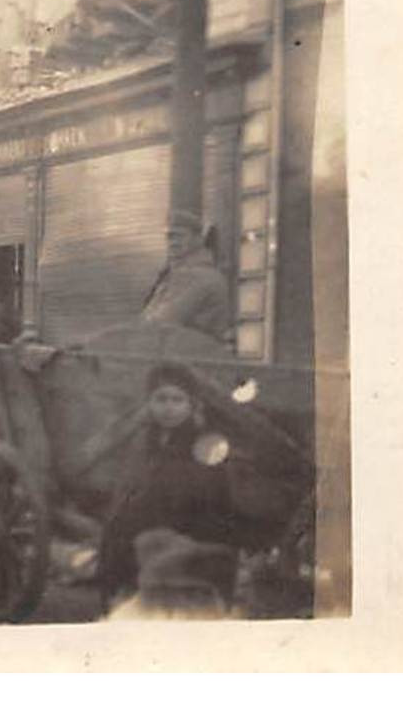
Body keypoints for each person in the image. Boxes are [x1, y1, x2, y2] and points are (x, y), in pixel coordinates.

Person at [96, 364, 236, 611]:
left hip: (191, 520)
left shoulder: (206, 441)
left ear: (191, 405)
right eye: (160, 399)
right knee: (118, 528)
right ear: (149, 403)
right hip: (154, 514)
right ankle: (119, 595)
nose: (168, 408)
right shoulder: (148, 438)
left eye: (177, 400)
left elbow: (209, 492)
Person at [141, 211, 232, 344]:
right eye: (169, 237)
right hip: (188, 355)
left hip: (188, 357)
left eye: (179, 236)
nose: (173, 242)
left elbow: (162, 322)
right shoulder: (185, 273)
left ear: (198, 239)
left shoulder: (195, 276)